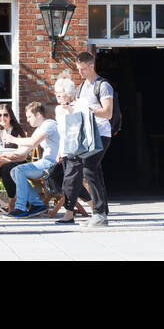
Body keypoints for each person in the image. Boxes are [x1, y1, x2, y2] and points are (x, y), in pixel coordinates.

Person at [59, 51, 114, 228]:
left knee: (89, 169)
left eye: (83, 69)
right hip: (87, 135)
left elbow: (108, 112)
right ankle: (102, 212)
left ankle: (99, 213)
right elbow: (81, 111)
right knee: (94, 170)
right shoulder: (82, 87)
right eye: (78, 69)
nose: (80, 72)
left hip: (101, 133)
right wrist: (71, 108)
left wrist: (89, 109)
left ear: (91, 65)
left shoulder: (103, 85)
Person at [5, 100, 61, 218]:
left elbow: (32, 142)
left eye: (29, 116)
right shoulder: (39, 129)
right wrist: (5, 158)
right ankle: (37, 204)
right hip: (46, 162)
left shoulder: (49, 124)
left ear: (38, 115)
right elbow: (24, 150)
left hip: (54, 164)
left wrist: (12, 139)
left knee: (19, 170)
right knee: (14, 171)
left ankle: (20, 207)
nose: (28, 120)